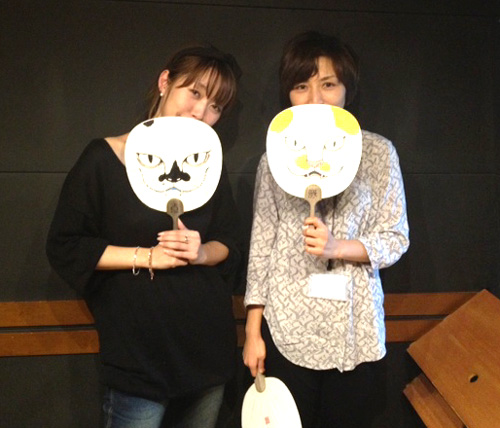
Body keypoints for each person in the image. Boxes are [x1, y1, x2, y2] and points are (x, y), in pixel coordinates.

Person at [46, 45, 241, 428]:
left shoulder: (209, 166)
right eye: (195, 93)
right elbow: (66, 245)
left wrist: (201, 253)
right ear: (165, 82)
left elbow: (230, 243)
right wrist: (147, 256)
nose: (201, 112)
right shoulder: (103, 158)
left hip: (206, 351)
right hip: (138, 359)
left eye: (216, 106)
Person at [243, 31, 410, 428]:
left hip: (354, 330)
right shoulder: (274, 161)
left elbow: (395, 238)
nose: (315, 99)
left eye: (329, 84)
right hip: (287, 330)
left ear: (347, 90)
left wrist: (339, 247)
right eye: (301, 86)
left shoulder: (378, 153)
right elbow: (261, 248)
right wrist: (252, 331)